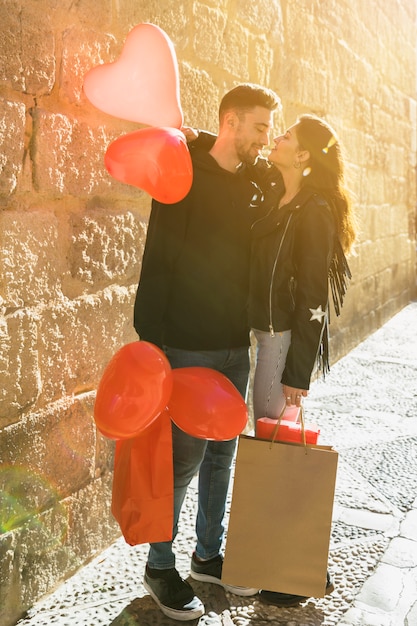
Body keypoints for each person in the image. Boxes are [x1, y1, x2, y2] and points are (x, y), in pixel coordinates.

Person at [133, 83, 280, 621]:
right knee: (183, 461)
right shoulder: (183, 176)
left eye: (269, 129)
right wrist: (149, 341)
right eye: (259, 127)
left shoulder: (252, 181)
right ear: (232, 122)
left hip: (232, 345)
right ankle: (158, 565)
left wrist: (209, 140)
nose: (264, 139)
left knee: (222, 455)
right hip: (186, 344)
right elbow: (159, 255)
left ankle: (207, 555)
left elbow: (269, 177)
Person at [249, 114, 356, 606]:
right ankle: (298, 564)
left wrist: (298, 375)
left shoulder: (313, 210)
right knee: (277, 449)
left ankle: (300, 569)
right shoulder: (279, 193)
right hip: (264, 337)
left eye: (286, 136)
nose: (276, 138)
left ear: (306, 156)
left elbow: (314, 295)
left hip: (283, 344)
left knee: (279, 453)